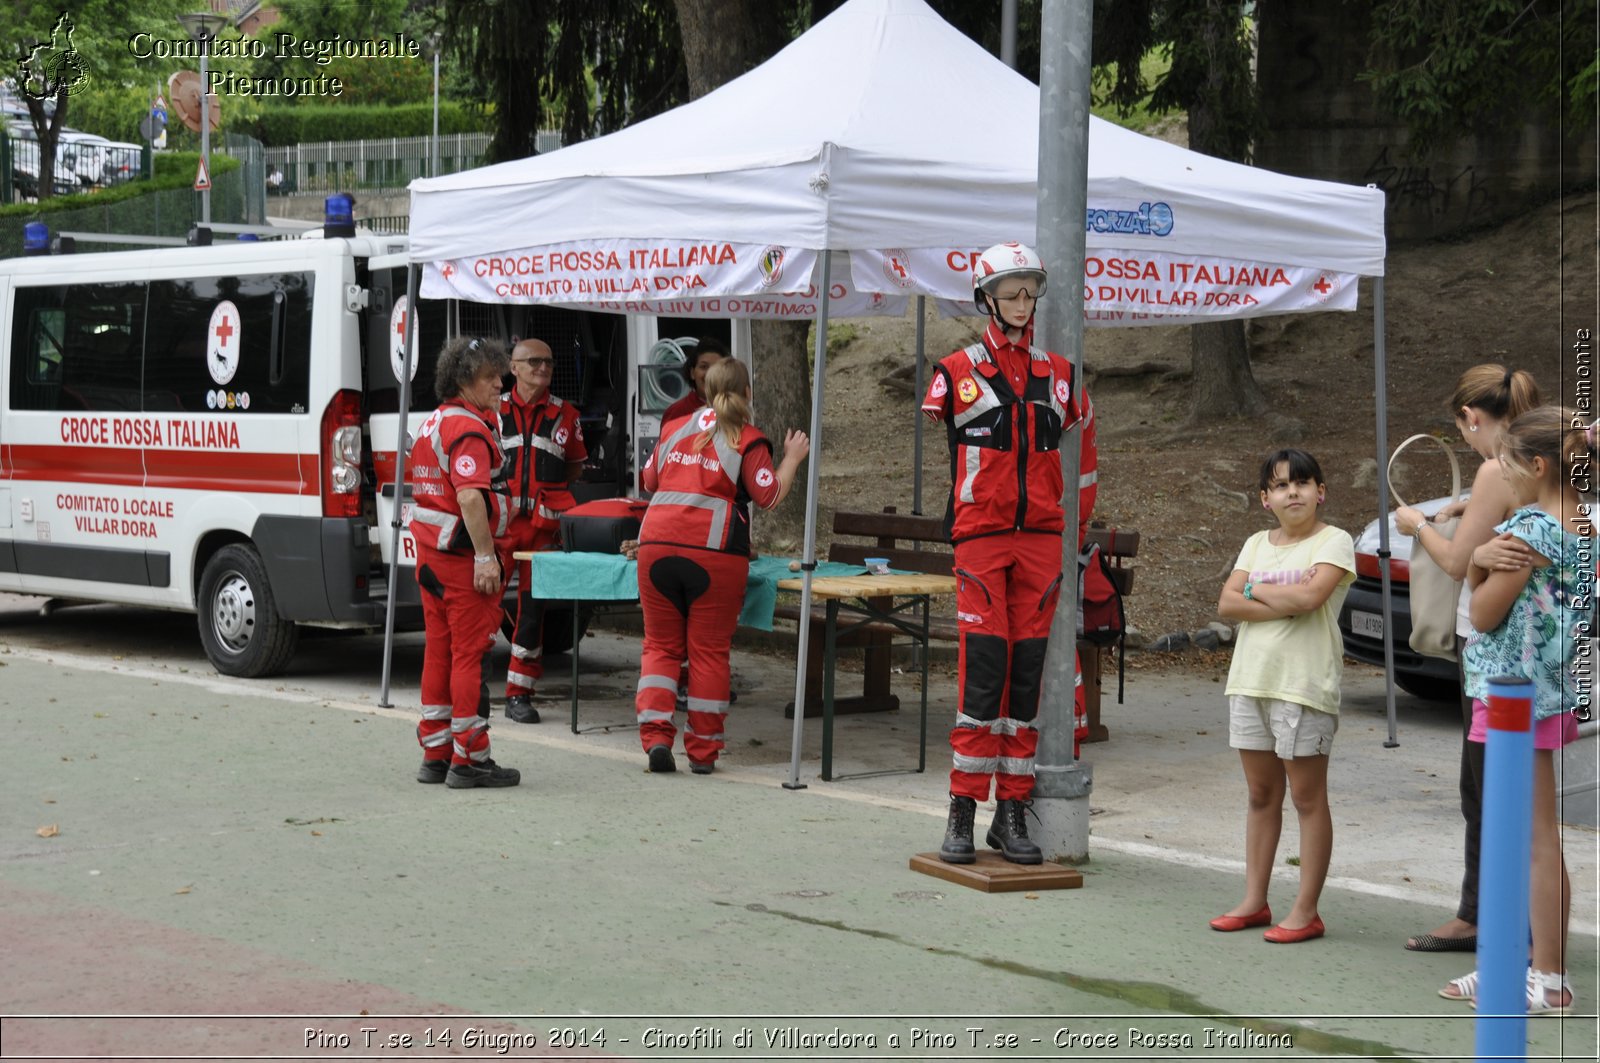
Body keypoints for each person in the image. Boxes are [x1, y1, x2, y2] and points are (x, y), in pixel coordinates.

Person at [921, 241, 1094, 866]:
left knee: (1025, 679)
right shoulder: (953, 371)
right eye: (1012, 292)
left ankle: (1011, 811)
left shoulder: (1062, 374)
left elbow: (1085, 465)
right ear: (986, 298)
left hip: (1043, 543)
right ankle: (963, 808)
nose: (1023, 303)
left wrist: (1074, 536)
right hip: (982, 541)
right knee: (983, 672)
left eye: (1030, 291)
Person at [1437, 406, 1589, 1014]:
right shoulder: (1583, 521)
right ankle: (1509, 964)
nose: (1498, 469)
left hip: (1512, 693)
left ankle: (1546, 978)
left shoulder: (1529, 526)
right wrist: (1481, 560)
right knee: (1529, 836)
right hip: (1547, 688)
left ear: (1538, 465)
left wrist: (1476, 563)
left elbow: (1482, 613)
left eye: (1507, 460)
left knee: (1526, 839)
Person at [1393, 365, 1542, 953]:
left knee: (1489, 788)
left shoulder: (1494, 466)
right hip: (1530, 645)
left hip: (1493, 647)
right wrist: (1463, 518)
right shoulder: (1543, 461)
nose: (1467, 441)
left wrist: (1419, 523)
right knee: (1495, 787)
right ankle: (1488, 914)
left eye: (1464, 430)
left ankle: (1502, 926)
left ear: (1472, 417)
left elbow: (1457, 564)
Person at [634, 358, 808, 774]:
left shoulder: (674, 428)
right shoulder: (748, 439)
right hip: (713, 552)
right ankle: (703, 752)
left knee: (659, 646)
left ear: (706, 391)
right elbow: (767, 495)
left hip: (655, 544)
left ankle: (656, 737)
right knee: (708, 653)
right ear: (747, 393)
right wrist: (793, 458)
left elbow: (648, 480)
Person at [1213, 448, 1355, 943]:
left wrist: (1254, 593)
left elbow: (1312, 600)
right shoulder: (1256, 543)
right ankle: (1254, 901)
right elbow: (1227, 601)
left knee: (1307, 798)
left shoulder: (1334, 542)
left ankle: (1306, 910)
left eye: (1302, 483)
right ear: (1264, 499)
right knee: (1260, 795)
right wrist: (1274, 600)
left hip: (1305, 686)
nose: (1292, 492)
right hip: (1250, 681)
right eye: (1280, 485)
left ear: (1321, 491)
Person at [408, 337, 521, 788]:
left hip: (432, 559)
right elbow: (471, 497)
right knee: (469, 658)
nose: (501, 382)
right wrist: (485, 556)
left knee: (439, 651)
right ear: (463, 380)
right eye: (490, 376)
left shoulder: (434, 423)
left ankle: (436, 753)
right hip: (461, 562)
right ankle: (470, 757)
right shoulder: (469, 430)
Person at [498, 338, 587, 724]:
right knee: (481, 607)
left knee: (532, 613)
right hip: (498, 526)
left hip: (541, 529)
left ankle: (519, 694)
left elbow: (574, 467)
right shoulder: (492, 410)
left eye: (549, 362)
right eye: (533, 361)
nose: (543, 368)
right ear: (512, 367)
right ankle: (467, 689)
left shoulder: (567, 414)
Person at [660, 336, 732, 426]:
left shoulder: (734, 411)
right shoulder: (675, 413)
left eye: (717, 368)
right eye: (704, 367)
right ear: (692, 373)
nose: (710, 374)